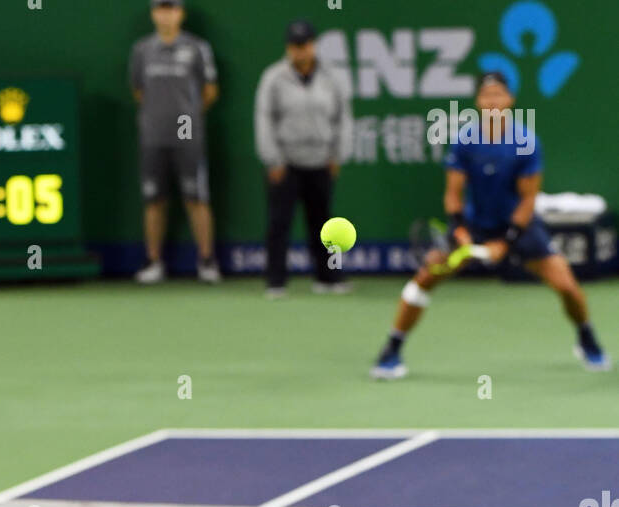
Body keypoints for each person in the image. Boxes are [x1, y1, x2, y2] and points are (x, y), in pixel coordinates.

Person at [372, 72, 611, 378]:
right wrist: (459, 229)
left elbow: (528, 200)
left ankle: (586, 337)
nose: (493, 102)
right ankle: (392, 349)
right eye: (487, 96)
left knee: (567, 287)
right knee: (424, 279)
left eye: (499, 95)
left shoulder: (526, 142)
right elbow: (453, 193)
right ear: (478, 102)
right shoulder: (464, 141)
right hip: (475, 225)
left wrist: (507, 241)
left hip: (519, 226)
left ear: (510, 100)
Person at [254, 19, 354, 299]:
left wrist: (338, 154)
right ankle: (276, 282)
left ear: (314, 45)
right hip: (285, 163)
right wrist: (272, 159)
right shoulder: (273, 77)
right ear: (289, 48)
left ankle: (328, 278)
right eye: (295, 46)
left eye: (306, 45)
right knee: (279, 223)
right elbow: (264, 119)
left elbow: (343, 118)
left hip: (321, 160)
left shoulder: (333, 77)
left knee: (324, 224)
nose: (301, 51)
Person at [130, 1, 221, 284]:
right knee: (154, 199)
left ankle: (206, 260)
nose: (166, 14)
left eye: (171, 9)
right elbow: (138, 90)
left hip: (187, 134)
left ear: (180, 13)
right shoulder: (141, 50)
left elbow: (209, 91)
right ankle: (153, 261)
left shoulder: (197, 48)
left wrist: (187, 117)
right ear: (153, 13)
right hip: (153, 135)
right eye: (161, 9)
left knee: (197, 197)